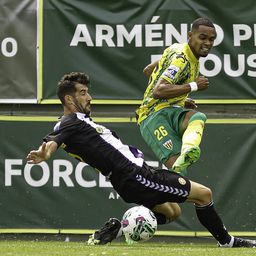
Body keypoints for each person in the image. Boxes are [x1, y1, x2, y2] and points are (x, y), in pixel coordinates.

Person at [27, 72, 256, 248]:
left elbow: (56, 136)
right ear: (69, 98)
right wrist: (45, 154)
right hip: (136, 175)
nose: (90, 97)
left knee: (172, 212)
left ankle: (116, 230)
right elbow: (53, 141)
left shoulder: (75, 123)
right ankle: (228, 242)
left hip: (129, 178)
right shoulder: (70, 123)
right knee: (204, 195)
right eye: (83, 92)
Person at [135, 17, 217, 223]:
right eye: (202, 37)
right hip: (152, 117)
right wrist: (193, 86)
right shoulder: (182, 58)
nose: (207, 42)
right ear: (190, 36)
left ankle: (188, 149)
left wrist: (180, 97)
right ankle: (142, 208)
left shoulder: (177, 50)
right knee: (179, 175)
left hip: (167, 109)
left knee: (197, 117)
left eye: (212, 39)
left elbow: (149, 70)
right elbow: (158, 90)